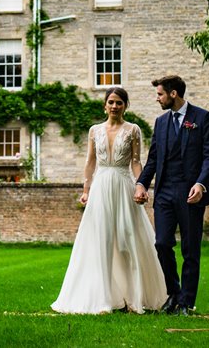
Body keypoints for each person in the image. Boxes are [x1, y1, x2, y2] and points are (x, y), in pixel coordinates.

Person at [52, 87, 166, 314]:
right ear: (105, 105)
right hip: (101, 187)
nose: (115, 106)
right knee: (100, 241)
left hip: (124, 186)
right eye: (111, 102)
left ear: (125, 106)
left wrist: (140, 185)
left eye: (119, 103)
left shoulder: (133, 130)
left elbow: (136, 162)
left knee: (128, 238)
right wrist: (86, 190)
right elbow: (90, 163)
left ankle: (135, 297)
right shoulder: (94, 131)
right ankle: (102, 298)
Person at [134, 75, 209, 316]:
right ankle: (173, 293)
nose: (157, 98)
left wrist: (201, 184)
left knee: (190, 249)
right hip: (164, 192)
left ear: (173, 94)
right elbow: (152, 160)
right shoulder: (160, 123)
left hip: (191, 192)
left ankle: (187, 302)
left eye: (160, 94)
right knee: (161, 243)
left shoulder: (202, 118)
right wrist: (141, 184)